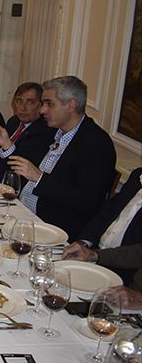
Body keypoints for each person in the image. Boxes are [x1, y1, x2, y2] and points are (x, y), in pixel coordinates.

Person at [9, 76, 116, 240]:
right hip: (22, 212)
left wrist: (39, 178)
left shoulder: (96, 144)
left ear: (71, 105)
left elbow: (87, 202)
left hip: (53, 230)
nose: (42, 110)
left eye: (49, 104)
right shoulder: (52, 131)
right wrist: (6, 145)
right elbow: (22, 163)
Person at [63, 167, 142, 288]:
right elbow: (107, 213)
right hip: (94, 255)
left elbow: (137, 254)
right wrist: (84, 243)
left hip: (122, 272)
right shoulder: (138, 176)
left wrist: (96, 255)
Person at [0, 82, 55, 176]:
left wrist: (7, 146)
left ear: (41, 105)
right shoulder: (14, 121)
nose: (23, 108)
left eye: (30, 102)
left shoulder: (45, 130)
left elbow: (22, 167)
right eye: (19, 101)